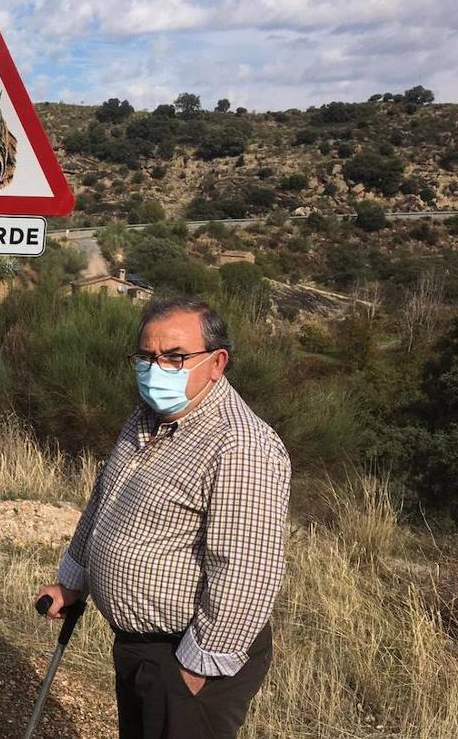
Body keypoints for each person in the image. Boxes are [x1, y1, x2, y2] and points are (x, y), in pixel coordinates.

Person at [36, 297, 290, 739]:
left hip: (189, 655)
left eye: (175, 357)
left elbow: (247, 571)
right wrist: (72, 580)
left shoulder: (241, 446)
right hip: (138, 645)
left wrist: (197, 667)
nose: (157, 369)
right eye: (146, 357)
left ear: (217, 363)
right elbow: (103, 502)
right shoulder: (146, 417)